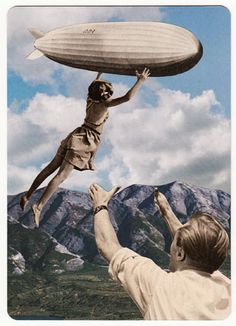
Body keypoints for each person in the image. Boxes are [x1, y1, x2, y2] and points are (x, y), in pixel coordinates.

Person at [20, 68, 150, 228]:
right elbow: (128, 97)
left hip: (75, 135)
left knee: (50, 168)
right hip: (84, 140)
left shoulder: (90, 99)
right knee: (61, 176)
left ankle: (28, 195)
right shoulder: (104, 104)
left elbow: (93, 86)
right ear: (105, 94)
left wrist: (99, 72)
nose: (109, 94)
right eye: (107, 91)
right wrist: (140, 80)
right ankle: (38, 206)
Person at [89, 183, 231, 320]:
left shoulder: (158, 286)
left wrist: (100, 204)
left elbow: (107, 245)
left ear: (180, 254)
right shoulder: (227, 287)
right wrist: (166, 212)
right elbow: (197, 244)